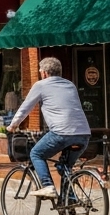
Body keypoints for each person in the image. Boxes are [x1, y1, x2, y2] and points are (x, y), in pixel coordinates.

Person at [9, 57, 91, 199]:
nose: (41, 74)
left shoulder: (41, 85)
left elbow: (25, 107)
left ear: (45, 73)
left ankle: (47, 186)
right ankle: (70, 200)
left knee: (36, 154)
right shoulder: (70, 85)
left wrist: (13, 125)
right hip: (83, 133)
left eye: (41, 71)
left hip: (61, 132)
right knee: (65, 167)